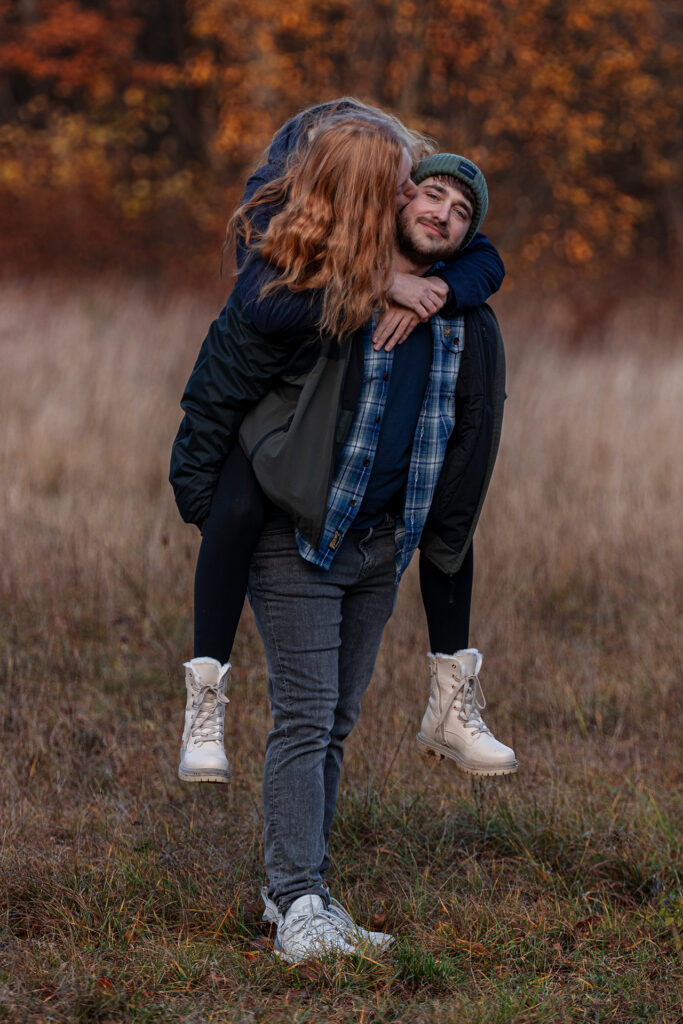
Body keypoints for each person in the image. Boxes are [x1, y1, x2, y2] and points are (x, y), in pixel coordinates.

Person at [171, 134, 516, 960]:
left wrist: (435, 285)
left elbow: (469, 428)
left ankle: (300, 890)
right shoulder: (322, 292)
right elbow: (264, 309)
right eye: (429, 195)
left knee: (334, 722)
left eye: (460, 210)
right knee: (303, 717)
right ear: (398, 204)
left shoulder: (463, 314)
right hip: (299, 535)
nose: (442, 212)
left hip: (379, 548)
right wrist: (376, 283)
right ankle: (297, 904)